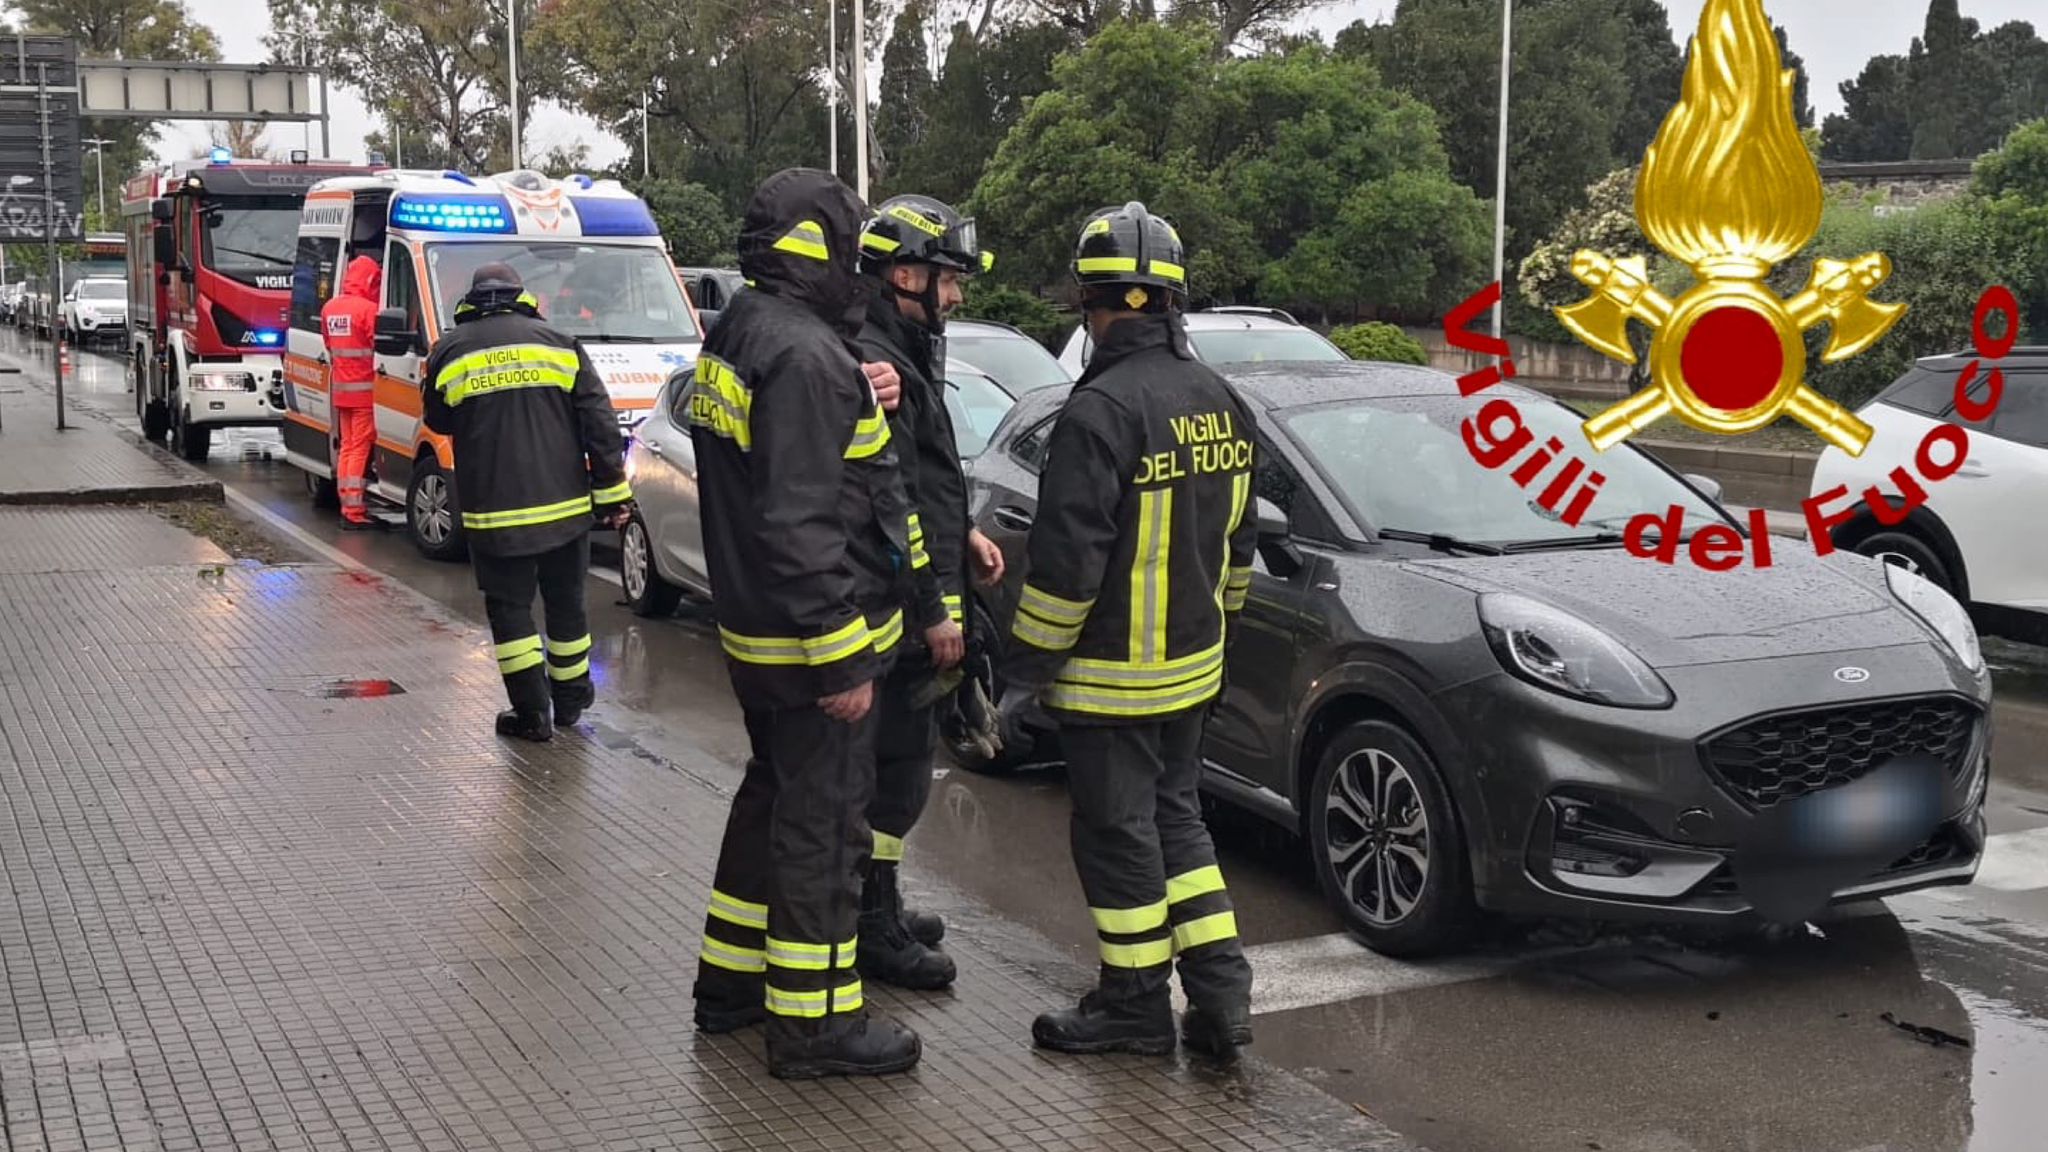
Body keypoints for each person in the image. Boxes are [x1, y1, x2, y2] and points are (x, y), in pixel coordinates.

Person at [994, 202, 1259, 1063]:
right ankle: (1221, 997)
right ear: (1174, 301)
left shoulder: (1099, 412)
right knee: (1180, 824)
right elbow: (1241, 550)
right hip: (1194, 674)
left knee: (1117, 842)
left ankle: (1136, 1008)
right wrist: (1210, 635)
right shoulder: (1220, 399)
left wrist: (1026, 675)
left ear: (1092, 302)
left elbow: (1067, 572)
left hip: (1109, 684)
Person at [686, 168, 925, 1080]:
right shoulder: (803, 359)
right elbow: (801, 522)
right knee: (824, 832)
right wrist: (843, 664)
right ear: (818, 253)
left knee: (769, 801)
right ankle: (816, 1026)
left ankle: (731, 988)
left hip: (754, 633)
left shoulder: (742, 332)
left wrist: (853, 383)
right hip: (812, 644)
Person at [851, 194, 1007, 991]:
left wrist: (964, 538)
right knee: (899, 769)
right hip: (899, 606)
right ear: (905, 274)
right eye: (947, 280)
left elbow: (926, 481)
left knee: (901, 766)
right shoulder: (880, 358)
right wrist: (935, 606)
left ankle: (879, 900)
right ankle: (872, 923)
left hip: (911, 588)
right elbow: (893, 503)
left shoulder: (901, 349)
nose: (956, 296)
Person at [420, 263, 634, 742]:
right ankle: (572, 699)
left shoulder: (450, 351)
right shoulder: (560, 344)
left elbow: (440, 420)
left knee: (510, 610)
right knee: (567, 606)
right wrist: (612, 498)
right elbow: (600, 425)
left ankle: (532, 714)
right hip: (564, 509)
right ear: (523, 296)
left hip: (493, 513)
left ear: (473, 299)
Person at [321, 255, 385, 530]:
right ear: (371, 281)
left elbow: (328, 344)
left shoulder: (330, 308)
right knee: (359, 449)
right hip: (365, 392)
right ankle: (354, 510)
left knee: (348, 447)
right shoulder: (369, 311)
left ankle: (347, 503)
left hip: (341, 390)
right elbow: (379, 349)